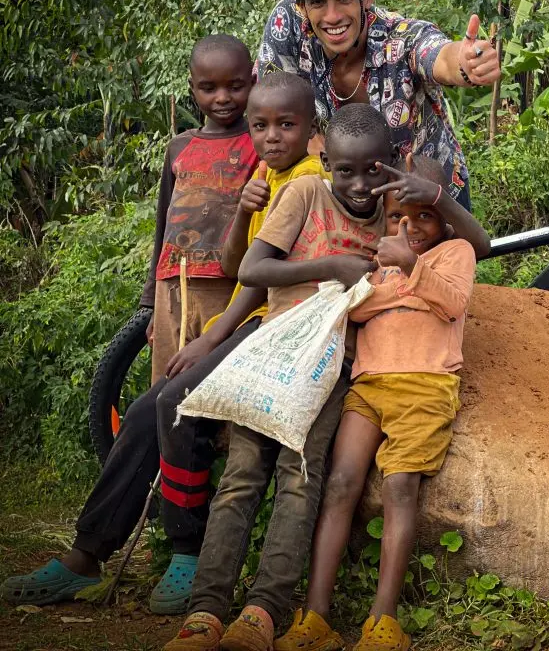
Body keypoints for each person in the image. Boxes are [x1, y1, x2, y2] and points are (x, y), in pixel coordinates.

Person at [0, 66, 323, 615]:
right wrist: (243, 213)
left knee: (175, 400)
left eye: (284, 125)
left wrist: (212, 335)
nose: (270, 136)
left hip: (283, 326)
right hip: (254, 316)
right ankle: (88, 553)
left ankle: (185, 549)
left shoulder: (305, 181)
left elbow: (257, 281)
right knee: (150, 406)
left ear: (310, 128)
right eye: (261, 125)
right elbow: (241, 263)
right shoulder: (268, 178)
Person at [161, 105, 486, 651]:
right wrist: (329, 270)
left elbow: (464, 252)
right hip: (274, 354)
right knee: (243, 474)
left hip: (331, 369)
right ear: (325, 161)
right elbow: (252, 270)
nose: (360, 186)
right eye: (346, 171)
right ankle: (205, 614)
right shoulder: (309, 193)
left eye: (373, 172)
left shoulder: (393, 223)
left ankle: (263, 615)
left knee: (300, 479)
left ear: (392, 167)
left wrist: (417, 222)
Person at [275, 156, 476, 651]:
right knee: (341, 482)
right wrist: (407, 289)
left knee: (400, 486)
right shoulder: (376, 259)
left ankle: (383, 619)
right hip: (368, 385)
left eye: (423, 216)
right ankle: (316, 616)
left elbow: (452, 302)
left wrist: (407, 271)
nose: (409, 228)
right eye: (396, 218)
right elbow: (357, 307)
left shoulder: (456, 253)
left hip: (426, 386)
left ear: (443, 217)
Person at [258, 0, 501, 210]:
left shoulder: (399, 38)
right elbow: (274, 109)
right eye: (317, 1)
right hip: (346, 199)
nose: (332, 15)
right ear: (302, 7)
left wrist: (466, 63)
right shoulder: (288, 26)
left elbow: (436, 53)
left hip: (427, 194)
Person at [142, 34, 261, 384]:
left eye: (235, 86)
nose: (222, 98)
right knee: (167, 389)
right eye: (209, 88)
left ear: (252, 82)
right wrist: (151, 303)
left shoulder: (260, 144)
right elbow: (164, 224)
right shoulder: (179, 147)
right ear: (192, 88)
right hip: (172, 291)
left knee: (221, 390)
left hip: (228, 291)